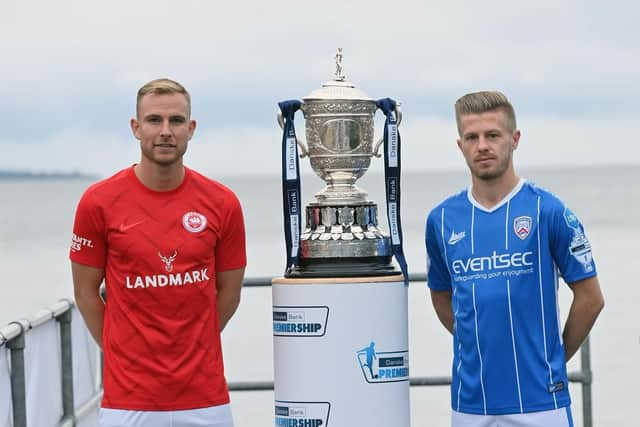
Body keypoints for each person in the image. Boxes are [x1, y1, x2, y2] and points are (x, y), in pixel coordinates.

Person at [70, 78, 246, 427]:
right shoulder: (98, 202)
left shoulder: (222, 203)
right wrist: (122, 352)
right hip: (128, 400)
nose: (165, 131)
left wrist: (194, 345)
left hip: (205, 397)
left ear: (191, 129)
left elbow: (229, 293)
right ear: (136, 128)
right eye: (154, 120)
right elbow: (85, 292)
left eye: (176, 121)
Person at [425, 91, 604, 427]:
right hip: (470, 402)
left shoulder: (548, 210)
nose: (482, 146)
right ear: (460, 144)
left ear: (514, 139)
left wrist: (552, 359)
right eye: (472, 137)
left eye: (492, 135)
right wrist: (476, 343)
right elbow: (440, 295)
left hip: (540, 402)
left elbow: (591, 298)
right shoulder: (442, 219)